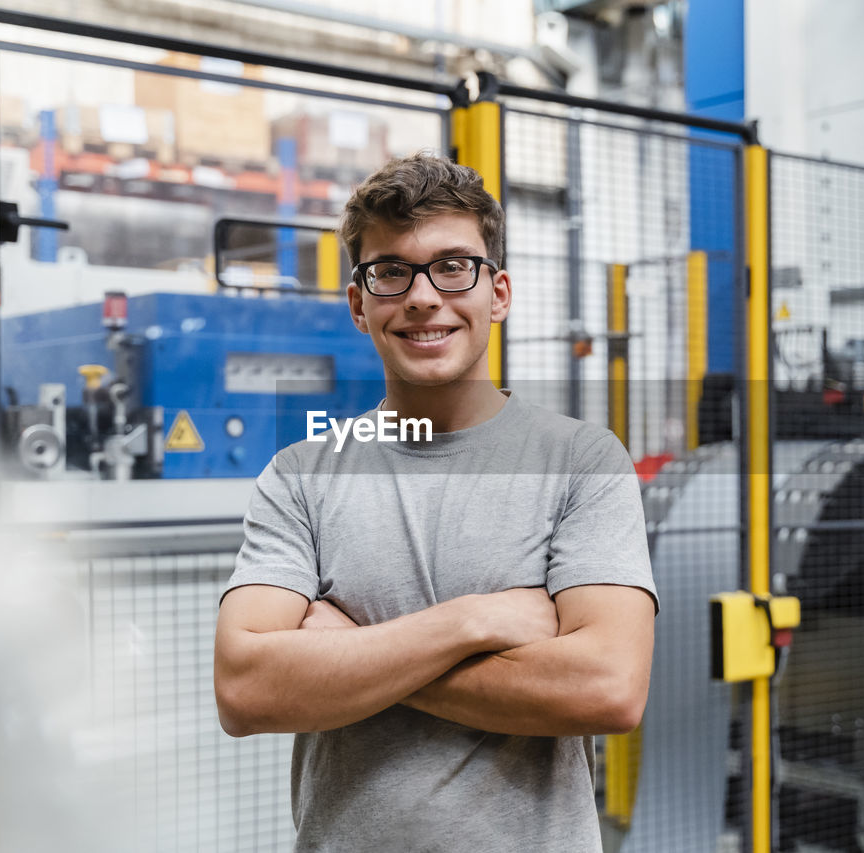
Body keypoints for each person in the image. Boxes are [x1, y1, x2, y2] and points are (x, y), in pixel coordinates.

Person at [214, 152, 657, 852]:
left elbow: (607, 688)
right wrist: (475, 621)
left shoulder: (583, 461)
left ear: (498, 292)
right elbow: (245, 689)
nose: (423, 296)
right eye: (391, 271)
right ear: (360, 303)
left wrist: (346, 651)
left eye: (453, 266)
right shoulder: (300, 475)